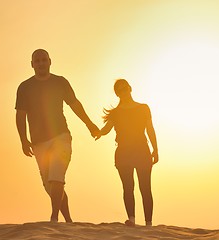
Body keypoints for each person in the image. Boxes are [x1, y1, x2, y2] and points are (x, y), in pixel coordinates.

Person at [15, 49, 99, 223]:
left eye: (44, 60)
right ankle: (68, 220)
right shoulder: (25, 87)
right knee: (50, 184)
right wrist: (23, 140)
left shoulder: (60, 82)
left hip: (61, 137)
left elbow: (74, 104)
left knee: (56, 176)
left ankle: (54, 218)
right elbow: (20, 115)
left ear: (50, 61)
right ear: (32, 64)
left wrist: (90, 124)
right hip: (38, 143)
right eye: (37, 61)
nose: (41, 63)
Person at [96, 79, 159, 227]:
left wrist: (155, 149)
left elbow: (150, 129)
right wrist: (97, 131)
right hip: (123, 152)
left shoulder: (144, 108)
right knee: (128, 187)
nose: (123, 90)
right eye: (120, 89)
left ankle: (148, 223)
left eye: (125, 87)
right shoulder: (116, 113)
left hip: (142, 151)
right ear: (117, 93)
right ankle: (131, 220)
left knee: (145, 187)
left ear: (130, 88)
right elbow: (106, 129)